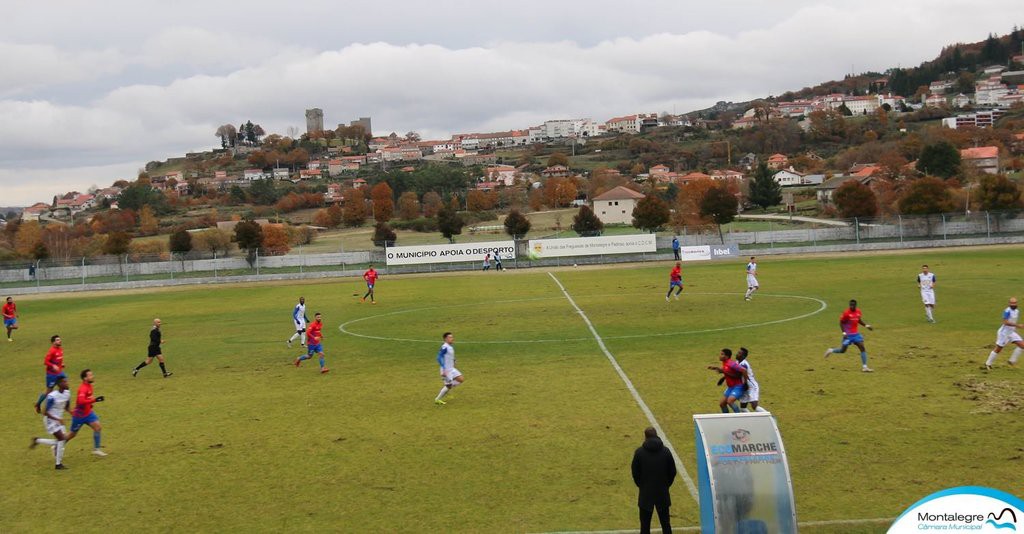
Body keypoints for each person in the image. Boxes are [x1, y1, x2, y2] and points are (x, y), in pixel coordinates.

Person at [631, 427, 676, 534]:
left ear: (645, 437)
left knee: (645, 525)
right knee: (666, 524)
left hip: (645, 494)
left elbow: (635, 472)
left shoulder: (639, 453)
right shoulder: (666, 451)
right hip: (662, 492)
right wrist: (666, 485)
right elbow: (672, 471)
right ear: (656, 435)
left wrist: (641, 485)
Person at [30, 376, 72, 469]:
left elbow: (67, 407)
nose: (67, 383)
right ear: (60, 384)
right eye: (65, 382)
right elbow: (45, 412)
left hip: (58, 419)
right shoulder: (52, 396)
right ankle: (58, 464)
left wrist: (72, 413)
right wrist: (57, 419)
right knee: (61, 439)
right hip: (50, 420)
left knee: (62, 439)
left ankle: (37, 440)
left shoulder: (67, 393)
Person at [824, 299, 874, 372]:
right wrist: (844, 333)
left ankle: (865, 367)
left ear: (855, 305)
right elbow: (841, 323)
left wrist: (866, 325)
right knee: (843, 350)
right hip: (848, 335)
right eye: (850, 305)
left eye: (853, 305)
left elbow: (858, 320)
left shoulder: (858, 312)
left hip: (856, 335)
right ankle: (831, 350)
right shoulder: (846, 313)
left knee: (862, 347)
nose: (852, 306)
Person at [68, 369, 107, 457]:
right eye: (90, 375)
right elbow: (81, 401)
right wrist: (94, 400)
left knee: (98, 427)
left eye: (92, 374)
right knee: (72, 435)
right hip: (79, 415)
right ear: (85, 378)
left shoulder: (89, 386)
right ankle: (57, 446)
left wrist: (91, 404)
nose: (92, 376)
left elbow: (87, 400)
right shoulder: (83, 388)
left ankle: (96, 449)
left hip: (88, 413)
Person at [984, 297, 1023, 370]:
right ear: (1009, 303)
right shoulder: (1007, 311)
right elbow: (1005, 322)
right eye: (1012, 303)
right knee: (998, 349)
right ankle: (988, 364)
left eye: (1015, 303)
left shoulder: (1017, 311)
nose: (1013, 304)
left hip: (1011, 332)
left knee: (1022, 345)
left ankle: (1011, 361)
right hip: (1004, 333)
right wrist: (1017, 325)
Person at [707, 348, 747, 413]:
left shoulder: (731, 363)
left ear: (727, 356)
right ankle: (726, 418)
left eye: (722, 354)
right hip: (731, 387)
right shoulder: (725, 363)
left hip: (738, 387)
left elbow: (744, 370)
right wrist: (716, 368)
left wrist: (745, 383)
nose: (720, 355)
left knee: (730, 401)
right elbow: (726, 370)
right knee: (722, 404)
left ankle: (739, 417)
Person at [35, 335, 66, 413]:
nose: (60, 341)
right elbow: (46, 362)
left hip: (59, 372)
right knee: (48, 391)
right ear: (53, 342)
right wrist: (53, 366)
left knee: (65, 385)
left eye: (60, 339)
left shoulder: (60, 349)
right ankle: (38, 404)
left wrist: (61, 365)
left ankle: (62, 404)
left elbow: (57, 360)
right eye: (58, 340)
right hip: (51, 375)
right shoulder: (52, 351)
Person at [434, 332, 464, 405]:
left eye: (452, 337)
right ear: (445, 339)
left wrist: (454, 360)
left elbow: (449, 356)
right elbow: (439, 357)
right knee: (448, 386)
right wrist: (444, 369)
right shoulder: (445, 347)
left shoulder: (450, 347)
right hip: (446, 370)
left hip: (452, 369)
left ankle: (447, 389)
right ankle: (437, 399)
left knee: (461, 379)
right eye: (450, 337)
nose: (452, 339)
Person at [736, 347, 767, 412]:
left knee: (754, 406)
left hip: (751, 386)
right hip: (744, 386)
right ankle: (750, 421)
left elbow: (738, 374)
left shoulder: (744, 364)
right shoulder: (737, 362)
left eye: (739, 353)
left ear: (743, 356)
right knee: (743, 408)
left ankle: (768, 416)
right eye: (738, 352)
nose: (737, 354)